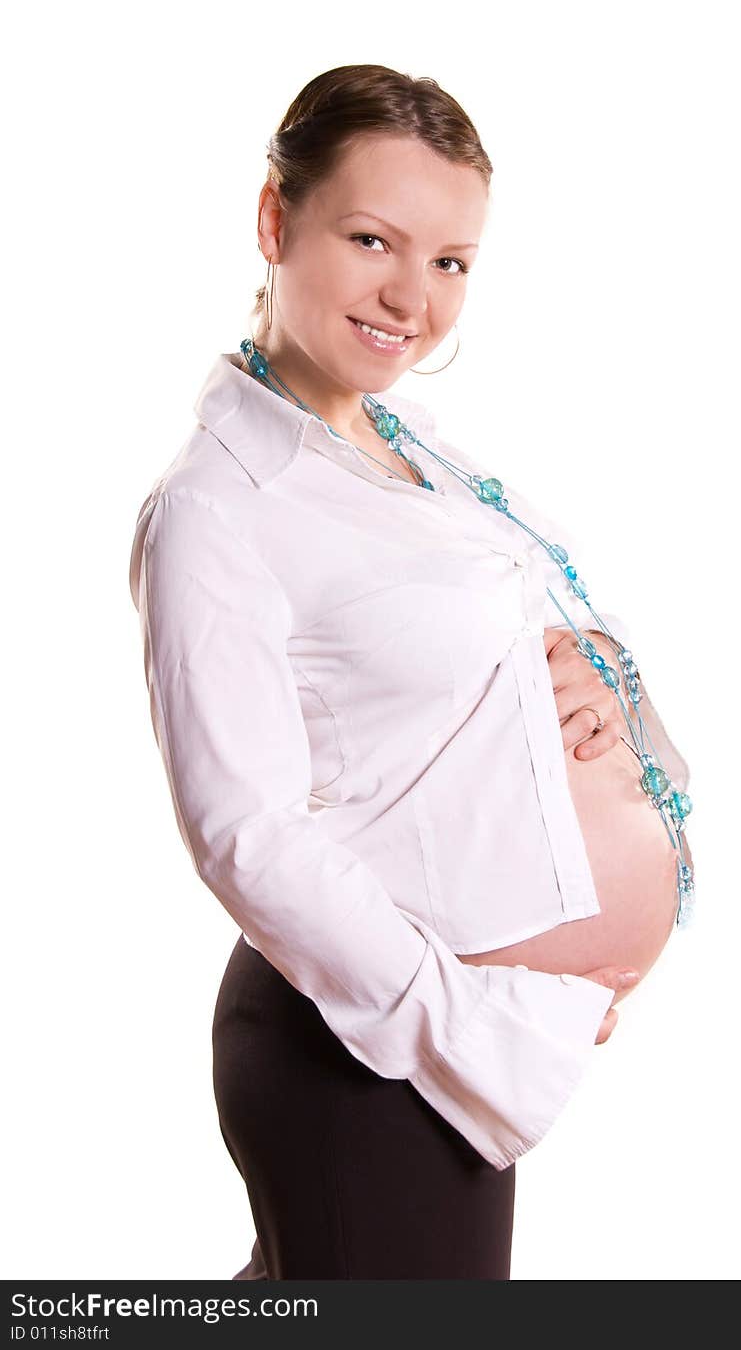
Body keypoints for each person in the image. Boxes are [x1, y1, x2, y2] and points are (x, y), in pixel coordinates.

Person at [128, 63, 692, 1280]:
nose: (412, 299)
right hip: (367, 1055)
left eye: (450, 262)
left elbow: (534, 630)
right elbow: (246, 834)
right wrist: (474, 1026)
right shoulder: (219, 506)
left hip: (416, 1055)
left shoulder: (399, 439)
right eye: (373, 238)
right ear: (276, 220)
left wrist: (607, 690)